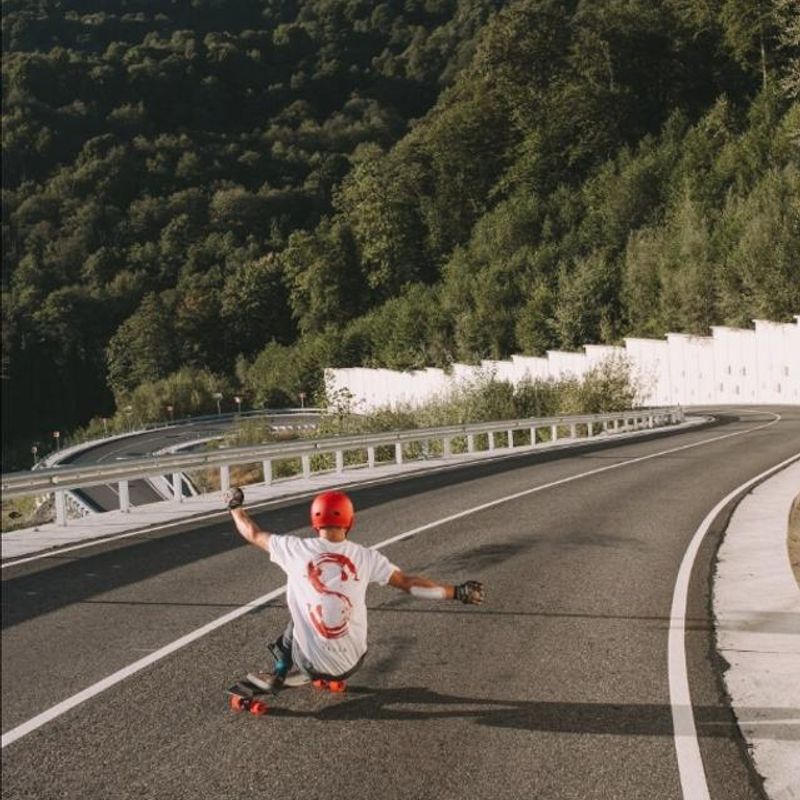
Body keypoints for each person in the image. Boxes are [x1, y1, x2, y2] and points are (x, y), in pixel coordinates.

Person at [225, 487, 485, 692]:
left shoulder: (294, 549)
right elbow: (409, 584)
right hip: (353, 663)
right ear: (349, 521)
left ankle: (279, 671)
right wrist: (456, 592)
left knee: (302, 615)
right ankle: (324, 666)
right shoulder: (366, 557)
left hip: (308, 664)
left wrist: (235, 508)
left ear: (315, 521)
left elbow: (252, 533)